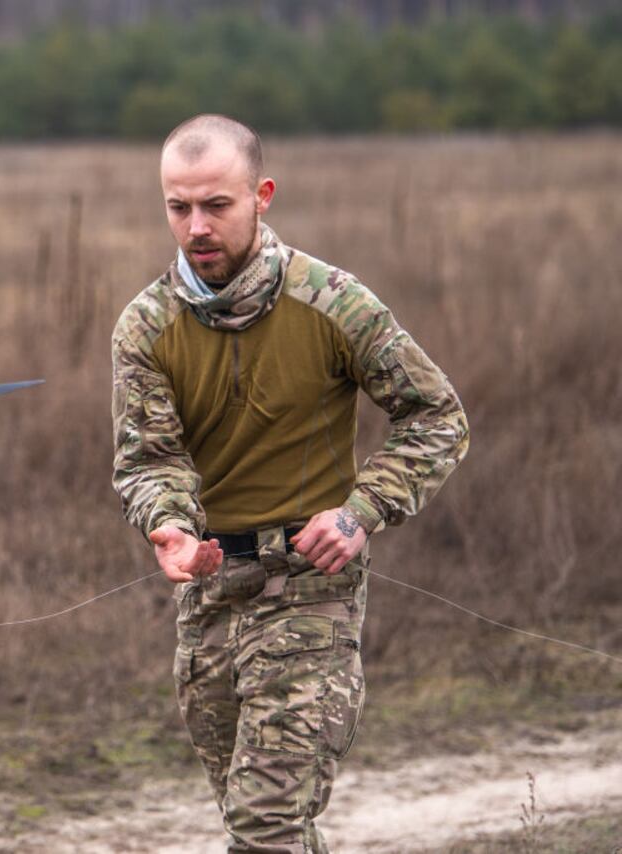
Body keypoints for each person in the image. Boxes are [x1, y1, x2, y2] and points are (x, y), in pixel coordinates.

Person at [111, 114, 469, 852]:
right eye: (179, 207)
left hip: (313, 587)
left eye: (217, 205)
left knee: (265, 825)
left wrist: (362, 511)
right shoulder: (145, 327)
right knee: (265, 819)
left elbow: (438, 417)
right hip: (210, 592)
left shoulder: (335, 303)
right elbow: (148, 458)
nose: (197, 226)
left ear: (261, 195)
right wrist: (168, 525)